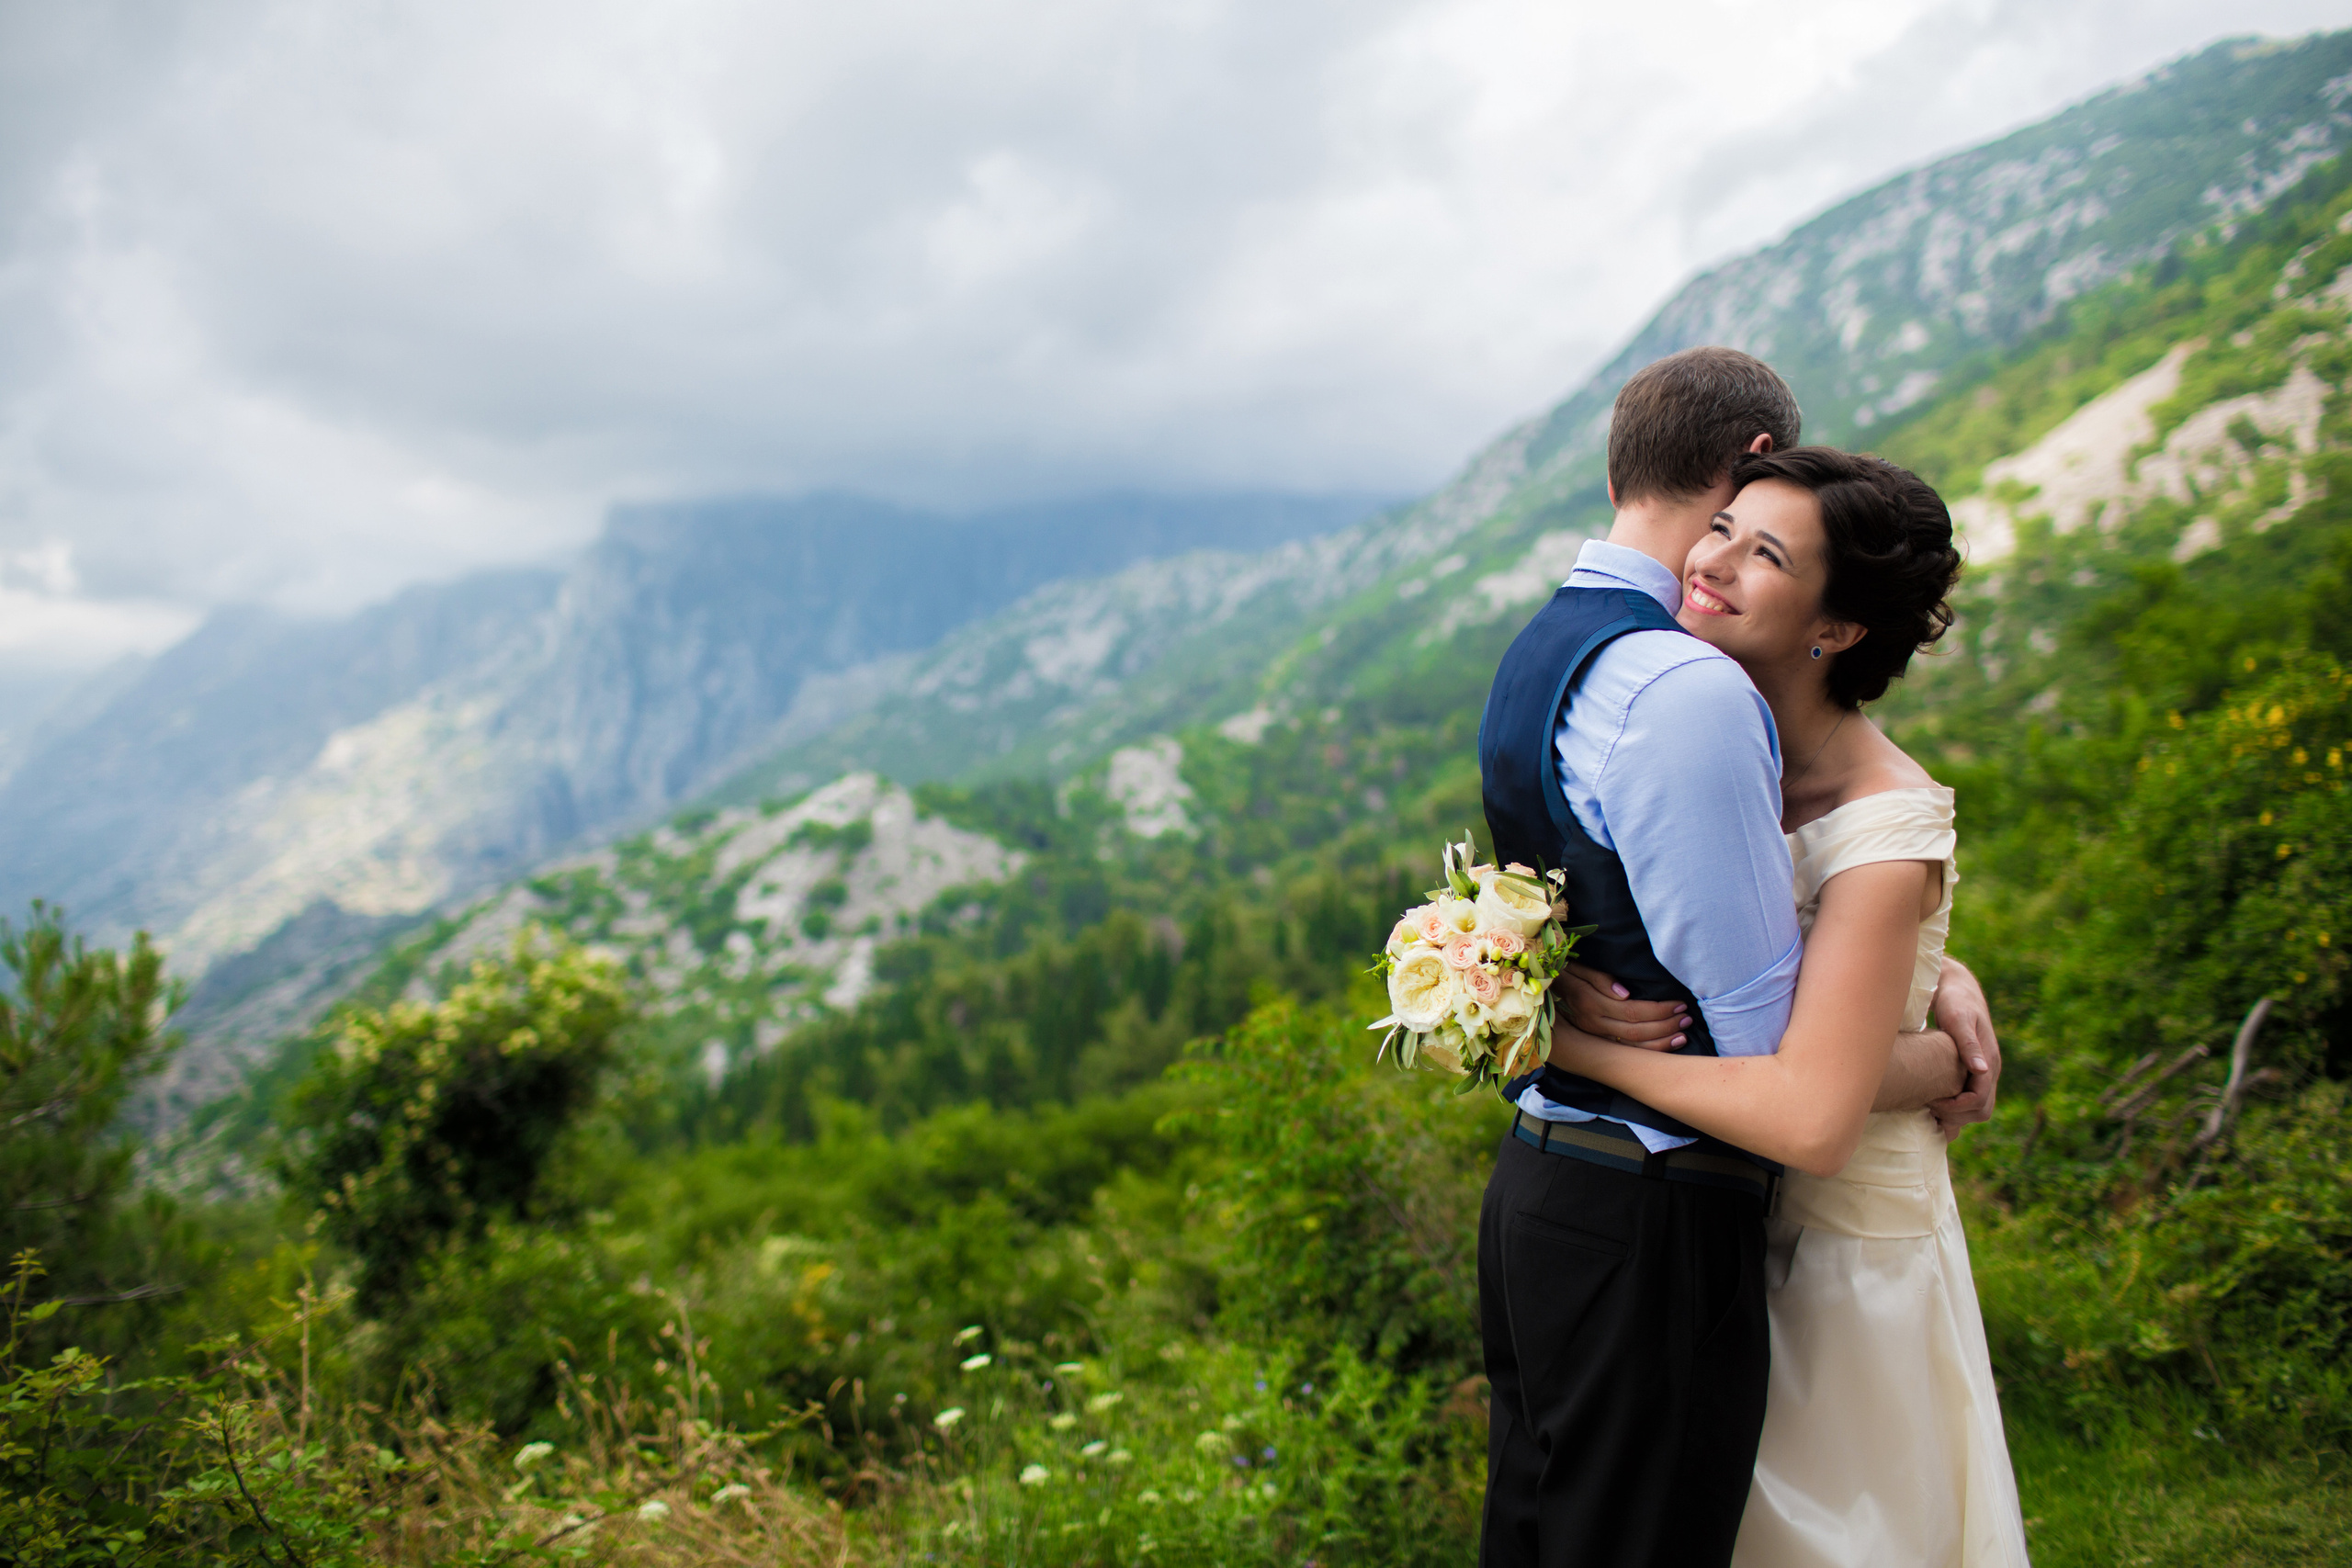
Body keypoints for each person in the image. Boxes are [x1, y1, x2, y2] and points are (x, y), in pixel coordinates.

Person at [1473, 346, 1999, 1568]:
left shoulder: (1586, 663)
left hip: (1814, 1239)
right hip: (1690, 1207)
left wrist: (1928, 970)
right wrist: (1929, 1042)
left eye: (1762, 551)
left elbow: (1813, 1049)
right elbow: (1799, 1041)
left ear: (1834, 625)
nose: (1712, 562)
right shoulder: (1702, 705)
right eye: (1728, 531)